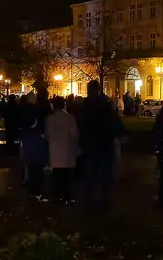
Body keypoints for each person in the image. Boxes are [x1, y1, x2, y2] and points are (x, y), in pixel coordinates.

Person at [79, 80, 124, 208]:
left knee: (92, 171)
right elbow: (113, 120)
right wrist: (119, 132)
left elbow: (82, 124)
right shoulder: (104, 104)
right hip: (104, 142)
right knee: (105, 172)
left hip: (93, 142)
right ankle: (105, 198)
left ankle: (90, 198)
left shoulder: (86, 105)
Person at [44, 96, 80, 204]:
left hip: (54, 151)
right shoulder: (69, 118)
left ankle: (56, 196)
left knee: (56, 175)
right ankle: (67, 197)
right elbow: (74, 134)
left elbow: (47, 135)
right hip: (66, 150)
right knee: (67, 176)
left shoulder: (50, 119)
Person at [20, 115, 49, 200]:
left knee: (32, 173)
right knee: (38, 175)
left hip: (30, 158)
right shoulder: (38, 135)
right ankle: (37, 192)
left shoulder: (25, 134)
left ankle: (32, 191)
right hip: (38, 159)